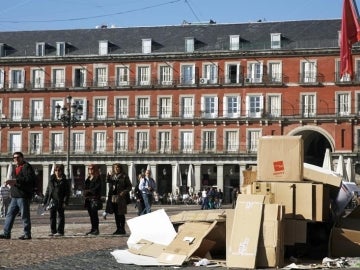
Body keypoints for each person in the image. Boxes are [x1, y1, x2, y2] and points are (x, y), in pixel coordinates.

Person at [0, 152, 36, 240]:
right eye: (14, 158)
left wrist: (16, 181)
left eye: (17, 157)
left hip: (23, 195)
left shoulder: (27, 167)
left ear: (22, 158)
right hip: (14, 195)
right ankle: (6, 233)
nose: (15, 159)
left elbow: (29, 179)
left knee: (24, 215)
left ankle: (27, 234)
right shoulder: (14, 168)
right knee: (9, 215)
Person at [42, 164, 70, 237]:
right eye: (56, 170)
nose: (57, 172)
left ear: (61, 171)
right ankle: (53, 231)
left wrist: (65, 202)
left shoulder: (64, 181)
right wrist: (44, 201)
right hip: (52, 200)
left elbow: (67, 193)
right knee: (52, 216)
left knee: (60, 216)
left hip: (60, 200)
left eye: (59, 170)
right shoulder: (51, 180)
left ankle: (60, 231)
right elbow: (48, 191)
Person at [106, 163, 132, 235]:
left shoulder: (124, 176)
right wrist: (108, 175)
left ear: (120, 168)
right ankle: (118, 229)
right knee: (116, 214)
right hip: (114, 197)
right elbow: (108, 181)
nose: (116, 169)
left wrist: (124, 192)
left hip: (121, 198)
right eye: (115, 168)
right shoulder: (113, 176)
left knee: (121, 213)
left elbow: (129, 186)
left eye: (117, 167)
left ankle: (122, 229)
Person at [83, 164, 102, 236]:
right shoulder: (88, 178)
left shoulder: (97, 178)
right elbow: (85, 187)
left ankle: (96, 229)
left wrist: (89, 191)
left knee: (94, 215)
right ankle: (92, 229)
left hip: (94, 199)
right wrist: (85, 192)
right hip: (88, 200)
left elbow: (97, 188)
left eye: (92, 169)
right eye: (89, 169)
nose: (91, 170)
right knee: (91, 215)